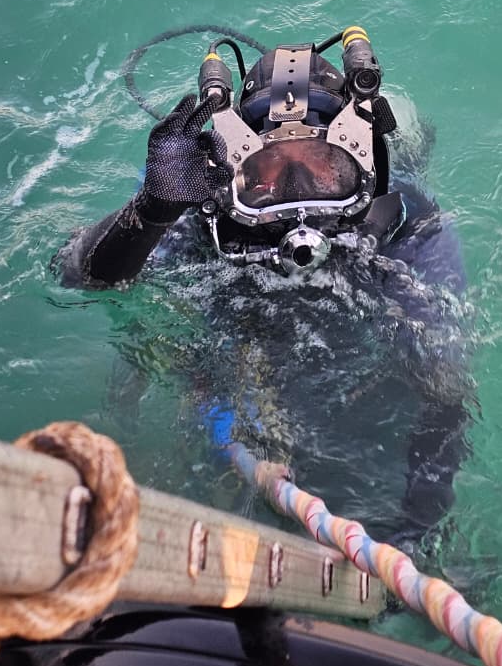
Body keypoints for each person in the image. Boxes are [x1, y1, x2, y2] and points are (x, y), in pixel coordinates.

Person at [54, 27, 473, 547]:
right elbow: (78, 275)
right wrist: (153, 210)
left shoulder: (407, 224)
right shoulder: (206, 221)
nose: (298, 195)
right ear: (234, 172)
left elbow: (444, 384)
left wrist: (420, 523)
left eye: (324, 166)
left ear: (361, 163)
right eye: (269, 171)